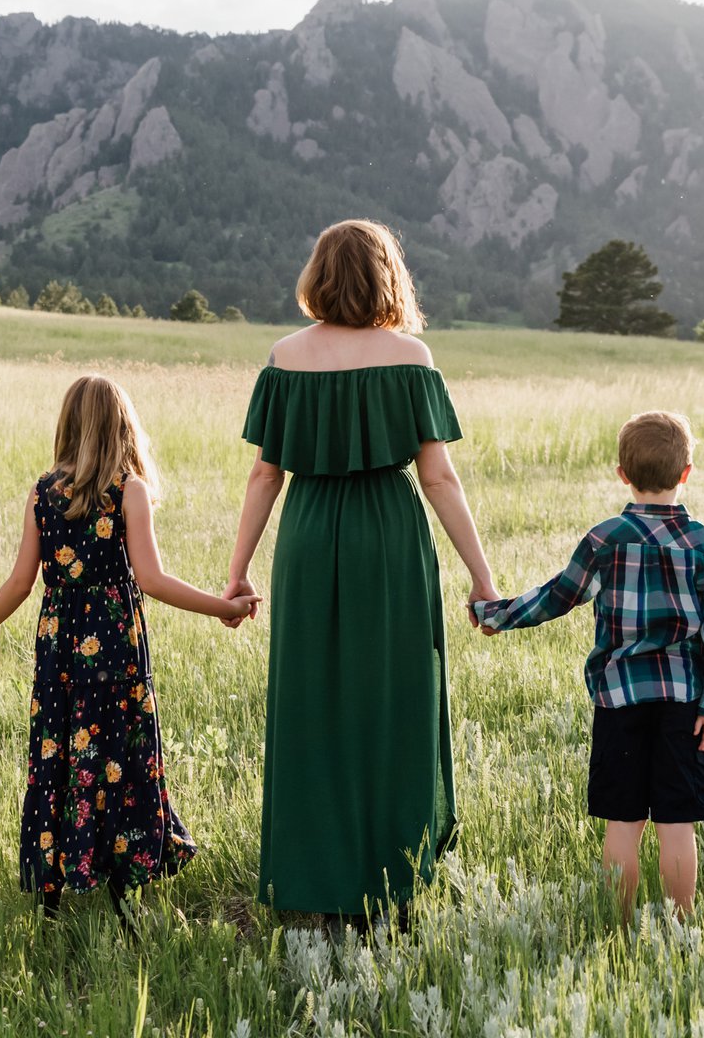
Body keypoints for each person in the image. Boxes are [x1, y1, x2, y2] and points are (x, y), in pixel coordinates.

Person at [227, 218, 498, 927]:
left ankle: (312, 886)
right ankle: (392, 880)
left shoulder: (285, 356)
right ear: (388, 277)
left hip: (311, 538)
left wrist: (238, 572)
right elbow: (438, 479)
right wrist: (481, 575)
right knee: (393, 705)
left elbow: (265, 475)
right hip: (389, 537)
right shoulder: (413, 357)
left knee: (310, 706)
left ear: (318, 276)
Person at [0, 375, 260, 925]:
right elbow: (151, 578)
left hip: (60, 652)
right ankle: (124, 896)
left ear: (69, 425)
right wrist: (221, 608)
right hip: (116, 653)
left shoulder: (43, 493)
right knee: (119, 763)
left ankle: (52, 898)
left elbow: (19, 584)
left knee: (58, 756)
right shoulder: (129, 491)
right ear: (123, 427)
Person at [472, 411, 704, 919]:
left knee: (622, 823)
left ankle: (619, 923)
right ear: (687, 472)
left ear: (622, 472)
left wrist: (498, 614)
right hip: (685, 701)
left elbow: (558, 595)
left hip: (619, 700)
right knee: (676, 824)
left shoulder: (606, 539)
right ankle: (681, 925)